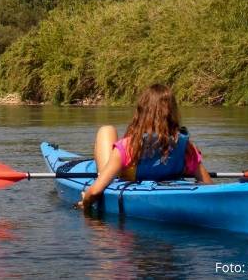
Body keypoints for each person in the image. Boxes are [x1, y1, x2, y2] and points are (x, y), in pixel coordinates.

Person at [77, 84, 212, 209]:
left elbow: (95, 192)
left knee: (106, 130)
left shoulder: (128, 147)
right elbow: (209, 186)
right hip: (169, 184)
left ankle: (104, 173)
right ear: (173, 113)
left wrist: (84, 203)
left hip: (121, 176)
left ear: (141, 113)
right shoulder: (186, 147)